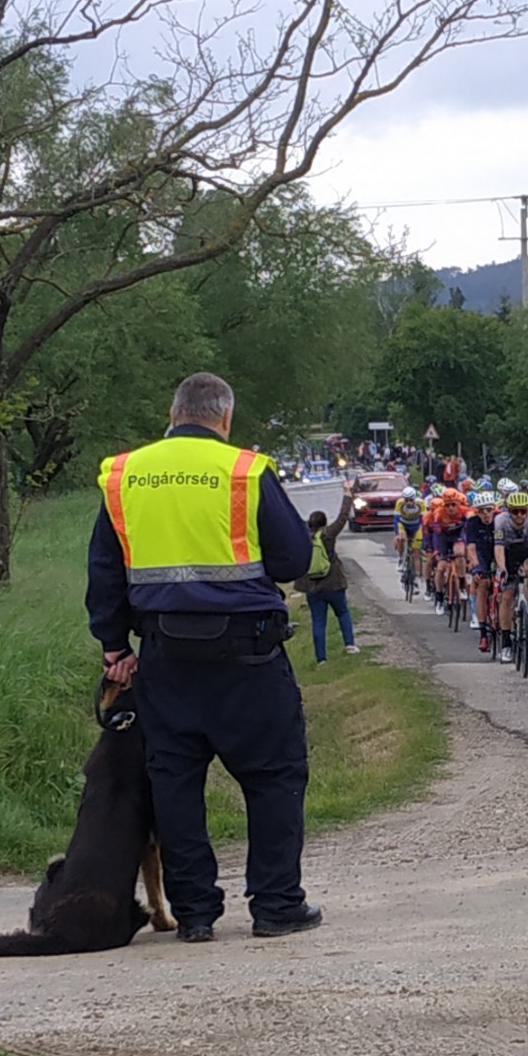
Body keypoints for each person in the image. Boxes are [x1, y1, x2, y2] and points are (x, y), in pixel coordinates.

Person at [87, 372, 322, 943]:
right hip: (248, 658)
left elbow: (104, 569)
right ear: (224, 418)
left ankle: (194, 914)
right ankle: (275, 906)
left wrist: (114, 645)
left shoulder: (124, 475)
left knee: (174, 783)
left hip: (165, 659)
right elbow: (292, 559)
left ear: (173, 413)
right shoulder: (245, 471)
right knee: (273, 778)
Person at [296, 509, 359, 664]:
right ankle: (350, 645)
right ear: (324, 522)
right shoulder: (328, 535)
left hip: (312, 586)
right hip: (333, 583)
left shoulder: (303, 537)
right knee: (343, 612)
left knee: (318, 621)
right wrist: (347, 495)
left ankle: (321, 658)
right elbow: (342, 518)